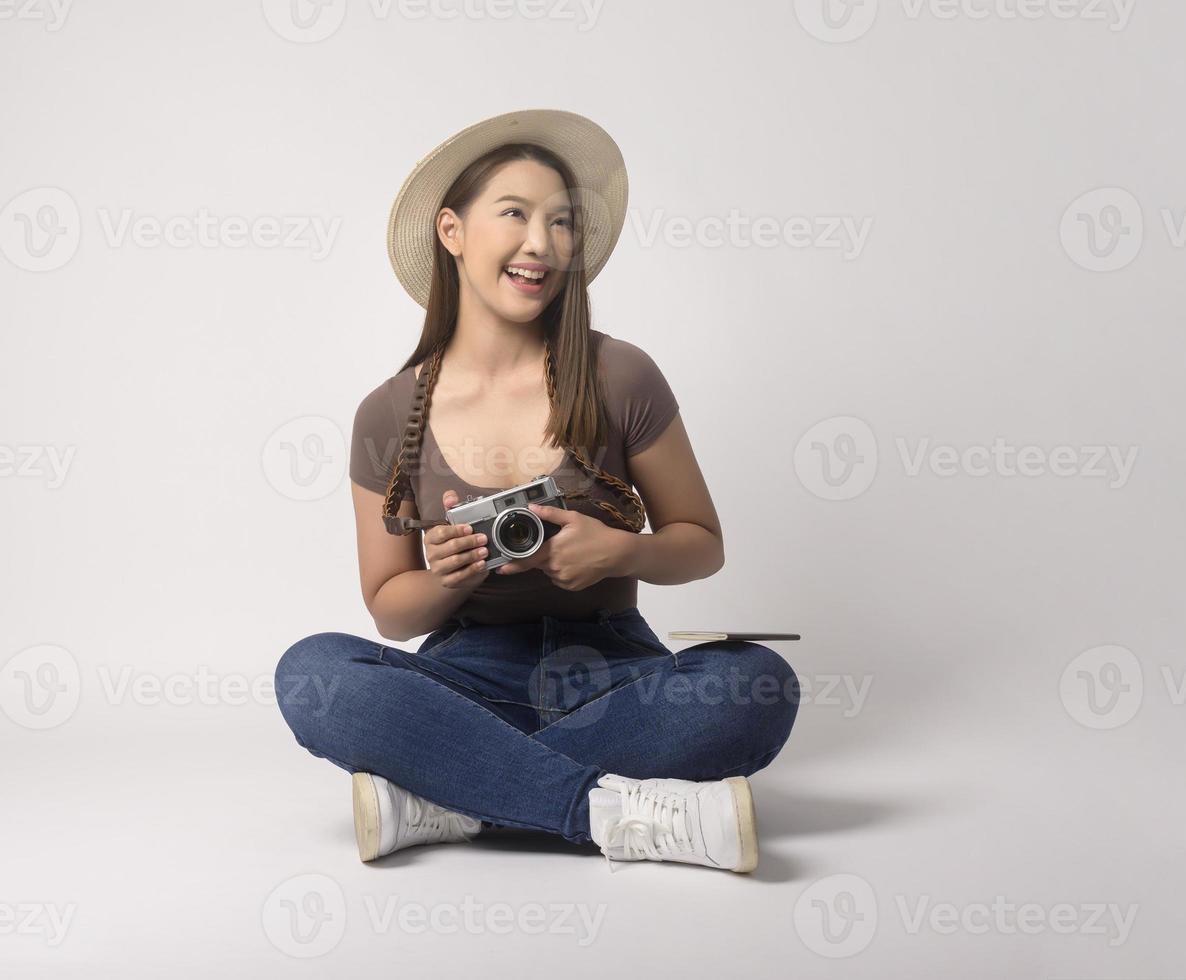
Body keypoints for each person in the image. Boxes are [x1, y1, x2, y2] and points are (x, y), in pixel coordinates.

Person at [275, 109, 799, 874]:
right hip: (465, 680)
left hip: (616, 672)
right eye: (514, 214)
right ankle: (610, 812)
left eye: (561, 223)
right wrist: (450, 579)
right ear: (451, 231)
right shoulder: (389, 413)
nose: (541, 245)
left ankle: (447, 798)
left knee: (755, 682)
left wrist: (620, 550)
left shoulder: (621, 375)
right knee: (313, 673)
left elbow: (701, 546)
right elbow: (391, 610)